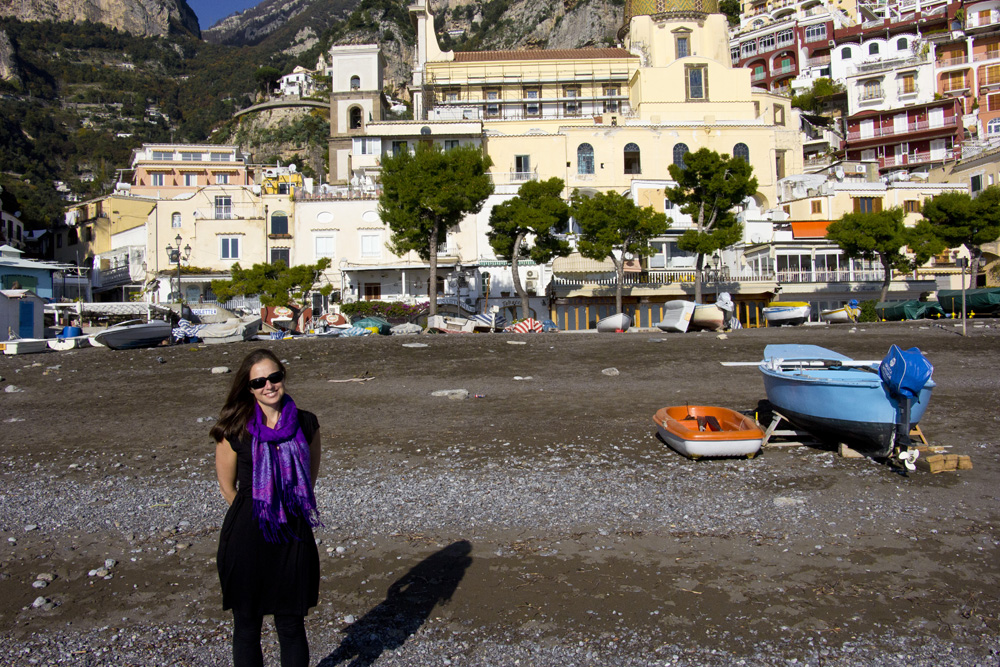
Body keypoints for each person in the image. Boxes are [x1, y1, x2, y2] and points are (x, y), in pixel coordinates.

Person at [211, 349, 323, 667]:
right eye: (259, 381)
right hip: (247, 535)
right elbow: (226, 487)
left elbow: (308, 480)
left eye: (274, 377)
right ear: (248, 388)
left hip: (293, 533)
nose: (268, 386)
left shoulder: (306, 422)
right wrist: (261, 512)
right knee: (247, 625)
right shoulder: (234, 429)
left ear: (282, 376)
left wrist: (283, 509)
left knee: (290, 625)